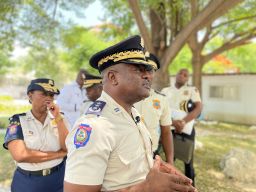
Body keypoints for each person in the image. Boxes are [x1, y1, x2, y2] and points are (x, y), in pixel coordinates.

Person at [64, 35, 197, 192]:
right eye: (138, 69)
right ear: (113, 77)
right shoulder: (94, 127)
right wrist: (146, 188)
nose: (149, 75)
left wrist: (160, 171)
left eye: (148, 70)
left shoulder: (132, 114)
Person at [2, 78, 69, 192]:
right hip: (28, 181)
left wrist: (58, 118)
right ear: (30, 95)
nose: (48, 99)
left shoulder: (59, 118)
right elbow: (21, 155)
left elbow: (67, 147)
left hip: (58, 178)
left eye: (51, 95)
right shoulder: (18, 121)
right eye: (43, 94)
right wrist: (59, 154)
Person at [162, 68, 202, 186]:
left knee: (188, 161)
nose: (182, 75)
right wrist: (174, 123)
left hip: (187, 130)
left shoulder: (192, 90)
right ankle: (169, 186)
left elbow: (198, 108)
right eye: (180, 73)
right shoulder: (165, 90)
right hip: (168, 129)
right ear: (176, 75)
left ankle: (191, 186)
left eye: (185, 75)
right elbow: (161, 110)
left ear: (187, 79)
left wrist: (182, 122)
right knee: (169, 159)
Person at [134, 52, 173, 164]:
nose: (145, 75)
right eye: (140, 70)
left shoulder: (161, 99)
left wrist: (170, 162)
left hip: (152, 155)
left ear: (154, 74)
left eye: (150, 70)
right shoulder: (123, 97)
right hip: (127, 156)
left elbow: (166, 132)